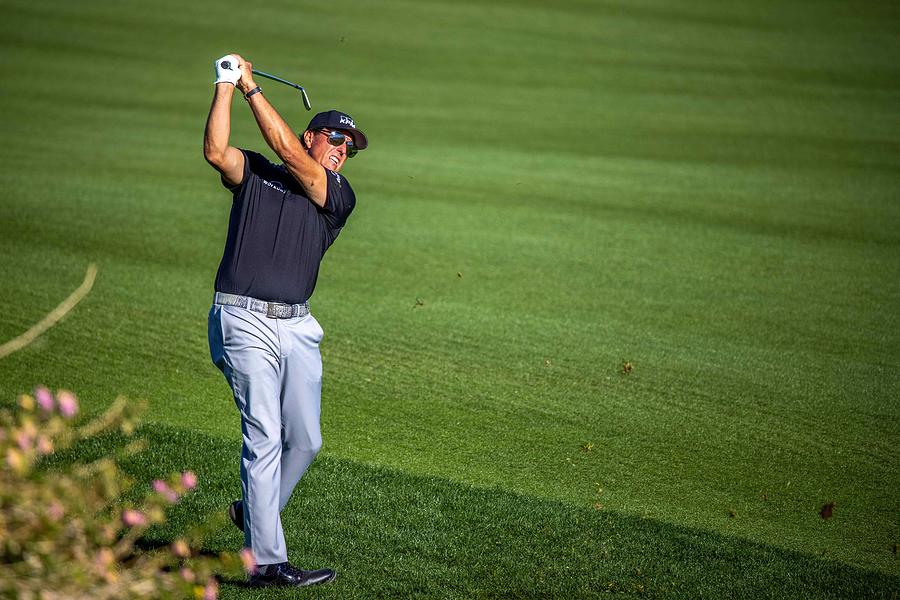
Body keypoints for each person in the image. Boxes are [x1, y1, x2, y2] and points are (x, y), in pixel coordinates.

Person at [202, 53, 367, 588]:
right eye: (334, 139)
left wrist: (252, 87)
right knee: (265, 436)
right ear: (311, 135)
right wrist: (227, 83)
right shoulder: (255, 173)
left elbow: (289, 153)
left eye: (349, 146)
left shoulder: (335, 195)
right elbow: (215, 151)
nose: (342, 150)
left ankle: (251, 513)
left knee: (307, 440)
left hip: (298, 326)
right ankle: (264, 561)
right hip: (242, 319)